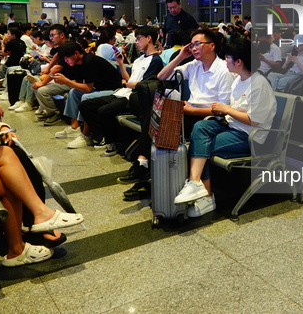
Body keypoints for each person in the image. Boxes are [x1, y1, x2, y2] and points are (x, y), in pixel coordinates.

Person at [0, 65, 84, 266]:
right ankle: (26, 232)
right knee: (9, 170)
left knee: (12, 153)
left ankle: (33, 222)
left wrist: (0, 126)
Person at [174, 38, 276, 217]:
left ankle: (204, 196)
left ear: (239, 62)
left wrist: (226, 109)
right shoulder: (239, 80)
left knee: (201, 147)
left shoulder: (259, 84)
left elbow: (254, 120)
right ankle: (195, 182)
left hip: (249, 136)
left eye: (228, 58)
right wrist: (224, 114)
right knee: (201, 126)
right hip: (232, 126)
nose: (225, 60)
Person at [117, 28, 233, 185]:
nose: (193, 48)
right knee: (155, 116)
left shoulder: (224, 70)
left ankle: (147, 169)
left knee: (158, 122)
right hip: (188, 112)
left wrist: (192, 110)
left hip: (208, 118)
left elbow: (223, 110)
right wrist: (181, 56)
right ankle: (146, 166)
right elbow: (162, 76)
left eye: (198, 44)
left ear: (212, 46)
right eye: (191, 45)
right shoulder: (194, 65)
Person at [79, 26, 164, 155]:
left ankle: (113, 142)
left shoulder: (156, 61)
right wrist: (120, 63)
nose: (137, 42)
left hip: (134, 97)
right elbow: (129, 79)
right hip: (124, 93)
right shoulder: (139, 59)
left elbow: (144, 86)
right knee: (85, 105)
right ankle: (102, 137)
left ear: (149, 38)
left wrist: (126, 85)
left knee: (104, 111)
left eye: (139, 39)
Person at [50, 41, 122, 147]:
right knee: (73, 92)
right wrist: (63, 81)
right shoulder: (77, 63)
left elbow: (88, 89)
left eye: (67, 57)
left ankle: (86, 136)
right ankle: (74, 127)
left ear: (76, 53)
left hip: (114, 90)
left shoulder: (89, 61)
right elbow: (79, 83)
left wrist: (66, 81)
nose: (65, 61)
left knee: (86, 97)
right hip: (99, 89)